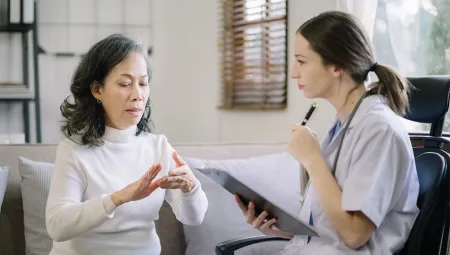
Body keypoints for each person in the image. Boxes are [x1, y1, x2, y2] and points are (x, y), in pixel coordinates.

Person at [235, 11, 420, 255]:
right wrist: (280, 229)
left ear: (336, 65)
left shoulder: (379, 130)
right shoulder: (344, 124)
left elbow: (354, 235)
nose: (293, 73)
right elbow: (331, 227)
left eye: (302, 61)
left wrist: (313, 160)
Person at [45, 34, 208, 255]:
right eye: (125, 84)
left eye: (143, 83)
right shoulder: (73, 150)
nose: (138, 95)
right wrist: (118, 198)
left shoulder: (158, 147)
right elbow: (56, 225)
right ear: (97, 90)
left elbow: (193, 217)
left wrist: (191, 188)